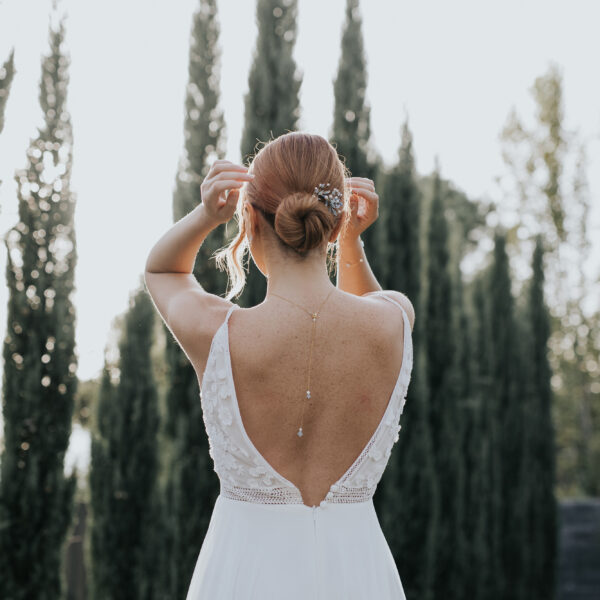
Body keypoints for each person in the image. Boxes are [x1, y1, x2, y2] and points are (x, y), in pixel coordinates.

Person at [144, 132, 415, 599]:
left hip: (244, 572)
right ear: (335, 224)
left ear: (248, 220)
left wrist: (207, 214)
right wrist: (351, 243)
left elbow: (163, 271)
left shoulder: (217, 333)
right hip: (358, 571)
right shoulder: (394, 321)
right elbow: (367, 300)